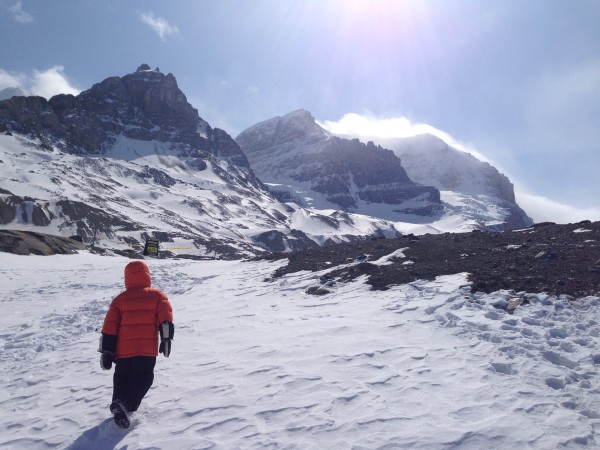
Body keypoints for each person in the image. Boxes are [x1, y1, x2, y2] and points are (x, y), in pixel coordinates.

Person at [98, 260, 174, 429]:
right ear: (147, 276)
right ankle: (124, 406)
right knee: (144, 377)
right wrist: (166, 339)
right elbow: (166, 319)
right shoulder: (157, 296)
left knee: (122, 377)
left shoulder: (120, 299)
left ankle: (119, 405)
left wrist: (107, 351)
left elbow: (109, 327)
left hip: (123, 352)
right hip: (146, 350)